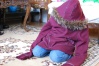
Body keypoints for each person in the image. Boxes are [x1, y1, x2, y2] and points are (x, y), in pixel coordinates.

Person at [16, 0, 89, 66]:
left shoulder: (81, 25)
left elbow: (83, 41)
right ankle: (51, 50)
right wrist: (36, 43)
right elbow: (44, 30)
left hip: (64, 44)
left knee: (55, 57)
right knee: (36, 52)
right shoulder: (55, 17)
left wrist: (78, 56)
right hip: (50, 40)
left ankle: (66, 54)